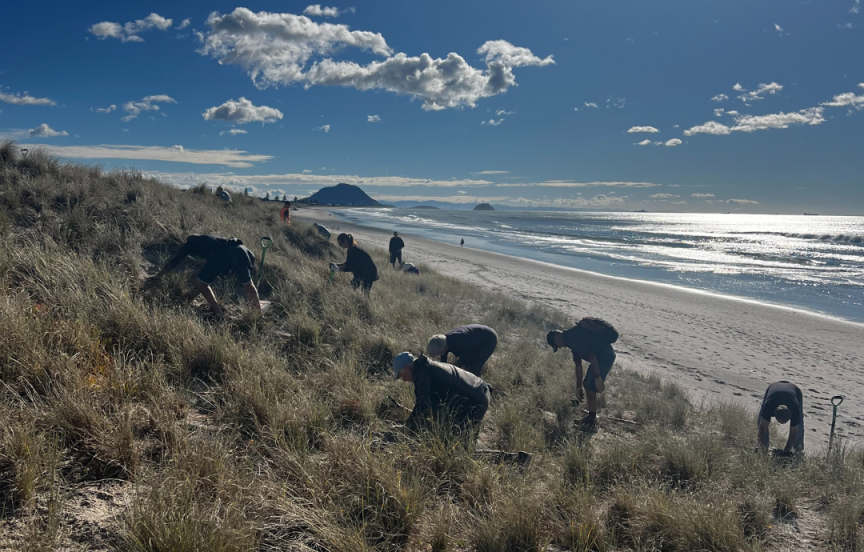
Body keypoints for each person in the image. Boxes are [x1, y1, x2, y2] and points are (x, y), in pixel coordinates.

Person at [149, 235, 261, 316]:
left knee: (201, 283)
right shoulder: (209, 239)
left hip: (223, 255)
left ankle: (218, 312)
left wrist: (158, 276)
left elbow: (175, 261)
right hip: (244, 252)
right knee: (248, 283)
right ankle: (258, 312)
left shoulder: (190, 244)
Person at [547, 318, 619, 431]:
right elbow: (578, 367)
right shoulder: (571, 340)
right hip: (603, 356)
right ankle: (591, 417)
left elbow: (593, 357)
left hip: (605, 356)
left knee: (590, 386)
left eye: (557, 345)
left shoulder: (572, 338)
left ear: (557, 336)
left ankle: (591, 421)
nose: (560, 347)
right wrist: (578, 387)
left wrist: (597, 377)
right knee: (587, 385)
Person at [393, 352, 491, 435]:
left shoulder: (422, 373)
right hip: (479, 390)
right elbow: (428, 403)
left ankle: (494, 455)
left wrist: (406, 427)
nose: (404, 380)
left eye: (402, 376)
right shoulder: (425, 367)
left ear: (407, 369)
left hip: (475, 399)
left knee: (459, 443)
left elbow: (423, 404)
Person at [426, 324, 498, 377]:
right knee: (460, 365)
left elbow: (470, 357)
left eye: (438, 353)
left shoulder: (459, 342)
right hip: (475, 340)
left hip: (488, 339)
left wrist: (465, 368)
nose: (439, 355)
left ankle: (482, 388)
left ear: (443, 348)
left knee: (475, 367)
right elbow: (443, 362)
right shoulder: (445, 342)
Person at [758, 381, 805, 454]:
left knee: (799, 424)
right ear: (774, 414)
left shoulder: (795, 408)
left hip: (795, 390)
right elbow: (762, 427)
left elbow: (793, 432)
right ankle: (763, 447)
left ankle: (797, 449)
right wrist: (762, 447)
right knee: (760, 420)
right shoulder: (769, 406)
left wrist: (786, 451)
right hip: (773, 388)